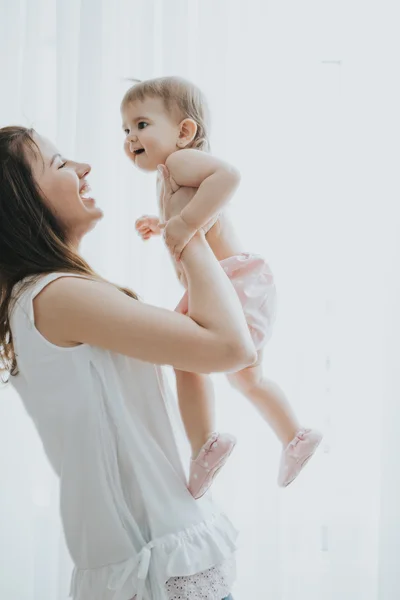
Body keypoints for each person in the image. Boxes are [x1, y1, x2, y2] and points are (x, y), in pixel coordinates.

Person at [0, 126, 256, 599]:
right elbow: (231, 347)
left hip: (154, 556)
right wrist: (187, 228)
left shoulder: (46, 295)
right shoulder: (57, 295)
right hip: (155, 563)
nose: (83, 168)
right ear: (20, 202)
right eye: (59, 164)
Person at [122, 76, 323, 499]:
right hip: (241, 282)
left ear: (184, 132)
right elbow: (206, 219)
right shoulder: (170, 175)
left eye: (141, 124)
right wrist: (165, 224)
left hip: (227, 281)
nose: (130, 137)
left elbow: (228, 177)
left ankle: (206, 445)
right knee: (247, 379)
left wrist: (184, 223)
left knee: (182, 355)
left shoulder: (179, 162)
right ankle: (295, 436)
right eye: (125, 129)